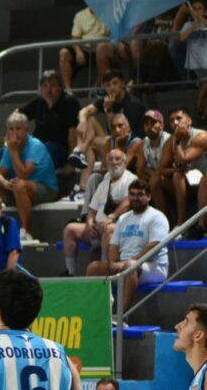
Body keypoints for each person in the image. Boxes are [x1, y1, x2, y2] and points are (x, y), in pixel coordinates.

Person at [87, 180, 170, 310]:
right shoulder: (123, 218)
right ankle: (98, 311)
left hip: (154, 267)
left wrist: (129, 262)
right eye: (132, 194)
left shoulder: (157, 217)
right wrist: (113, 263)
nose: (135, 198)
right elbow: (113, 245)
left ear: (149, 197)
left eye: (140, 194)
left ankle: (121, 315)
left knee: (130, 266)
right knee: (93, 268)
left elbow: (154, 246)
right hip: (126, 265)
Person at [0, 112, 58, 243]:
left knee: (20, 184)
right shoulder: (10, 147)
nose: (14, 133)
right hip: (20, 189)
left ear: (26, 129)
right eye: (11, 129)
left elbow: (24, 174)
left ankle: (26, 231)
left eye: (18, 128)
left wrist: (13, 151)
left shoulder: (35, 145)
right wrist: (6, 184)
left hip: (45, 189)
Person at [61, 149, 135, 277]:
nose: (114, 162)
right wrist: (90, 223)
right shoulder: (105, 182)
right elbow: (92, 209)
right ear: (106, 163)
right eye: (110, 159)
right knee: (70, 229)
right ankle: (70, 272)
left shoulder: (131, 179)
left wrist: (112, 217)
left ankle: (104, 271)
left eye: (118, 159)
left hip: (119, 228)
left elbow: (128, 202)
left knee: (107, 228)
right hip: (97, 228)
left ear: (124, 162)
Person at [72, 112, 143, 208]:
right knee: (94, 177)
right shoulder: (109, 142)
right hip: (112, 179)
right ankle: (86, 211)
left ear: (128, 127)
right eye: (113, 127)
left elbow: (120, 168)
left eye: (120, 126)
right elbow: (103, 168)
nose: (117, 130)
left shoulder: (136, 142)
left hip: (130, 180)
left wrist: (116, 145)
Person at [19, 69, 80, 179]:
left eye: (53, 86)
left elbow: (73, 135)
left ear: (60, 88)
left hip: (60, 150)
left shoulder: (69, 102)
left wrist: (71, 163)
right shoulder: (39, 102)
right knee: (7, 150)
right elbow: (17, 115)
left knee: (46, 148)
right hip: (38, 148)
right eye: (45, 86)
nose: (48, 90)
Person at [59, 0, 111, 90]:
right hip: (84, 49)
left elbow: (112, 34)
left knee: (102, 49)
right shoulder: (80, 15)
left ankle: (98, 87)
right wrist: (78, 51)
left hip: (101, 48)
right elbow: (75, 37)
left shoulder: (109, 12)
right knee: (64, 53)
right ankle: (68, 90)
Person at [167, 108, 207, 230]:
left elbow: (184, 159)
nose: (175, 122)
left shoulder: (201, 136)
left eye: (179, 118)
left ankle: (202, 226)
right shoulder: (173, 139)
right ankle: (181, 224)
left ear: (189, 121)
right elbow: (166, 167)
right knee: (176, 176)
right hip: (195, 177)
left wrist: (177, 141)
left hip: (204, 177)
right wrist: (176, 168)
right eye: (172, 120)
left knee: (205, 180)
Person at [141, 110, 177, 219]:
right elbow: (143, 168)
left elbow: (173, 169)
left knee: (155, 180)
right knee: (139, 182)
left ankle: (163, 220)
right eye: (146, 124)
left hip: (174, 180)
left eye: (153, 123)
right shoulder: (145, 142)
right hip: (158, 177)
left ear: (161, 125)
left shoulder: (169, 140)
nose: (149, 126)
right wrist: (154, 173)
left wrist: (155, 173)